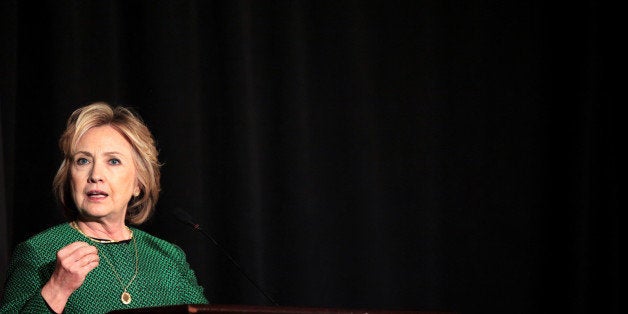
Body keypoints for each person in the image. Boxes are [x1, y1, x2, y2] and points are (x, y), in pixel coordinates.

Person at [0, 102, 208, 313]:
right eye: (83, 161)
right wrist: (57, 289)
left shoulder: (167, 257)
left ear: (139, 183)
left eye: (114, 161)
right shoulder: (38, 252)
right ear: (69, 177)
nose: (95, 175)